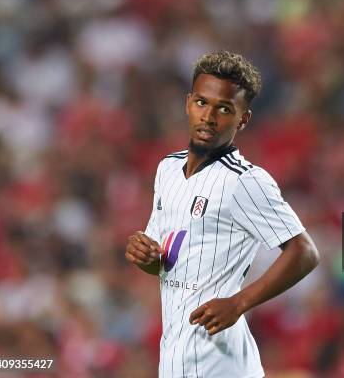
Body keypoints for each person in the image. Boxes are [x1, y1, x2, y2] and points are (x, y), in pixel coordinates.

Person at [125, 50, 320, 378]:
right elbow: (165, 260)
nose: (209, 117)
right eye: (202, 103)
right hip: (176, 357)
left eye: (224, 108)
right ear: (188, 103)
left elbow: (305, 252)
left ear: (243, 119)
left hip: (220, 362)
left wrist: (239, 303)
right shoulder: (168, 169)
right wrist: (145, 255)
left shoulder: (244, 181)